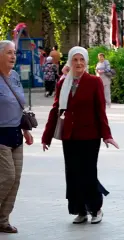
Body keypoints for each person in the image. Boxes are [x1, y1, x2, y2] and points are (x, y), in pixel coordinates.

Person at [41, 46, 119, 224]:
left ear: (86, 62)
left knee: (88, 173)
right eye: (75, 60)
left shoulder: (94, 82)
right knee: (73, 173)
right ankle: (80, 210)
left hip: (90, 136)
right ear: (70, 62)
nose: (78, 63)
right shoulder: (63, 83)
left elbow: (101, 111)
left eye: (81, 60)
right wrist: (46, 136)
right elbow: (56, 109)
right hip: (70, 136)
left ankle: (96, 208)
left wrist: (106, 134)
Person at [0, 40, 34, 234]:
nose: (13, 56)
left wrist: (26, 130)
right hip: (0, 134)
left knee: (16, 180)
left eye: (14, 53)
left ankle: (3, 220)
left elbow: (18, 104)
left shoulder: (13, 77)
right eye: (8, 53)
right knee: (7, 176)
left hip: (16, 134)